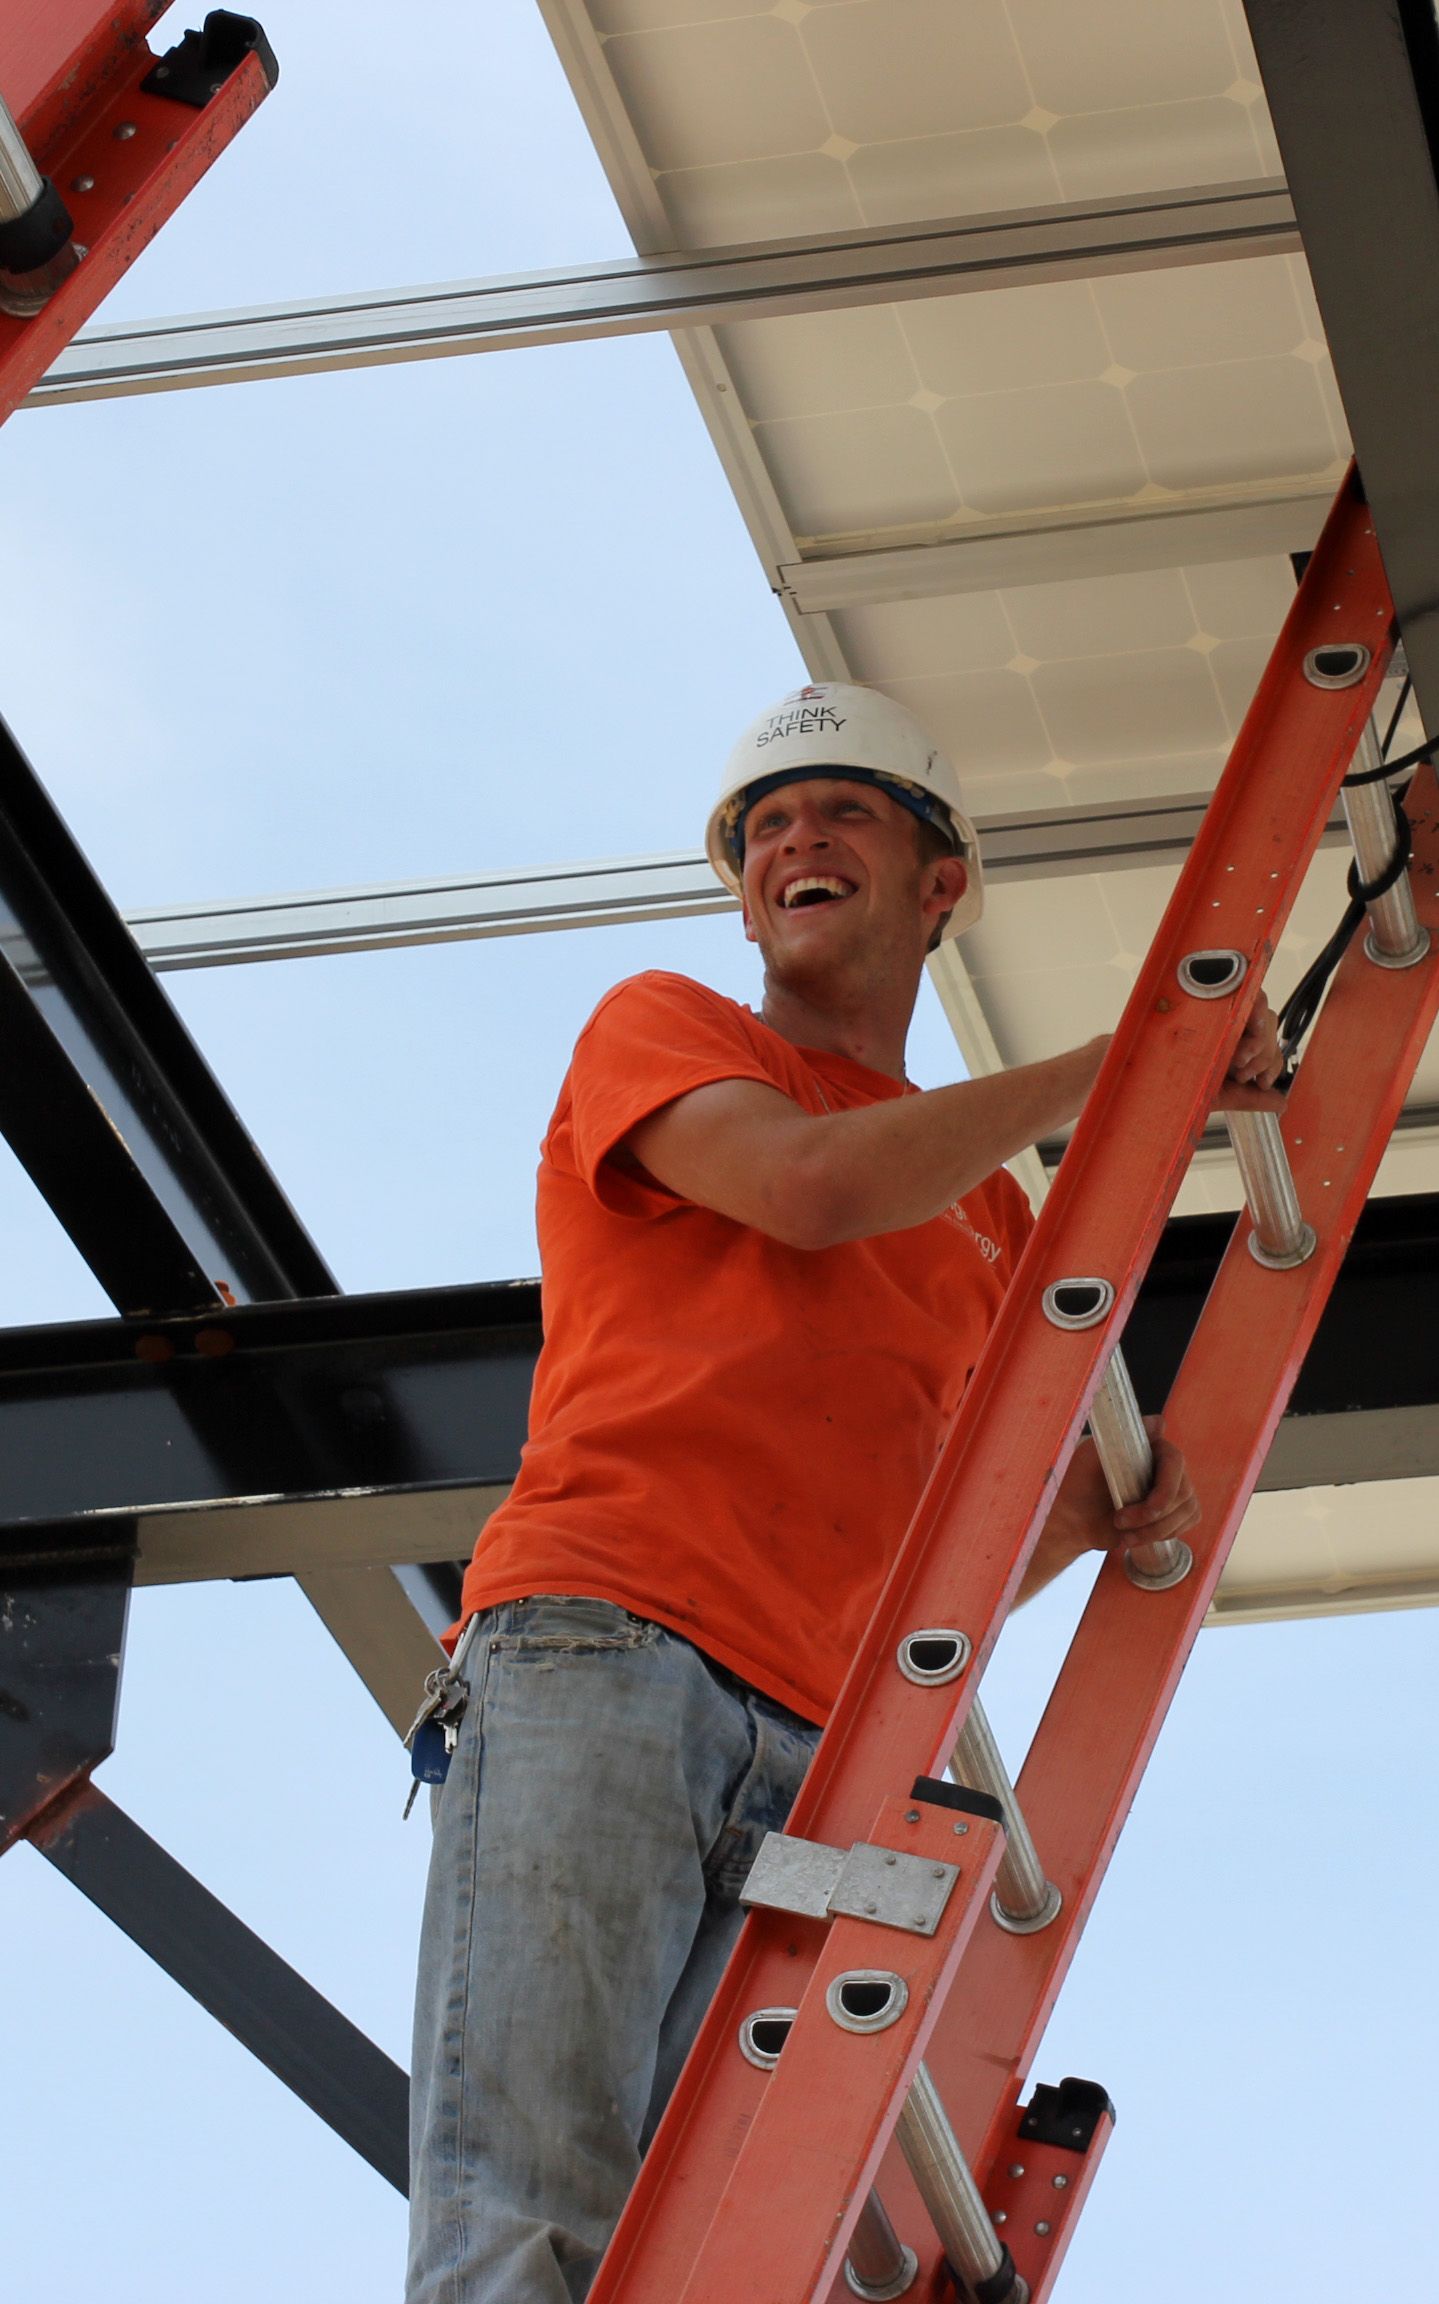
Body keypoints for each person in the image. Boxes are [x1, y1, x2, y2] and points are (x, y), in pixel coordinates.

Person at [405, 683, 1282, 2304]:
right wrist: (1134, 1071)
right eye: (767, 829)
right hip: (606, 1651)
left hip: (820, 1741)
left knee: (702, 2261)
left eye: (844, 813)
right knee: (535, 2223)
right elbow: (806, 1193)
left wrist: (1089, 1527)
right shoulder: (672, 1030)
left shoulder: (990, 1227)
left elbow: (925, 1571)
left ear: (939, 882)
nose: (796, 841)